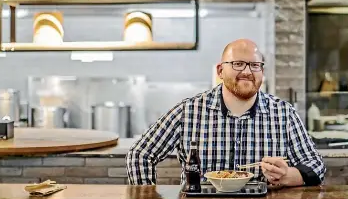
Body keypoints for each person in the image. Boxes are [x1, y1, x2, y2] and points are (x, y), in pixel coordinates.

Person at [126, 39, 325, 187]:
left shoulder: (283, 114)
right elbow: (140, 154)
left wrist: (288, 175)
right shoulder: (188, 112)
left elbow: (316, 165)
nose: (247, 71)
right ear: (220, 71)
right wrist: (147, 198)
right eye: (238, 64)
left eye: (255, 65)